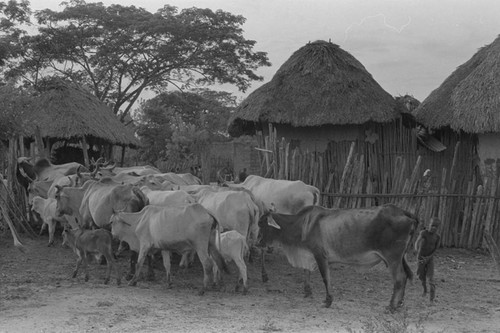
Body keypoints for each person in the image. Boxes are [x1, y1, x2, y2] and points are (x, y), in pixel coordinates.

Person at [415, 217, 441, 303]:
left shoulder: (437, 237)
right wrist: (415, 249)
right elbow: (417, 242)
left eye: (436, 226)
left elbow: (435, 249)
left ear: (438, 228)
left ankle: (431, 299)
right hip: (421, 258)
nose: (433, 228)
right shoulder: (423, 233)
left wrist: (428, 258)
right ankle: (425, 290)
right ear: (428, 225)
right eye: (432, 225)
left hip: (430, 259)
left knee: (431, 279)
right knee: (421, 276)